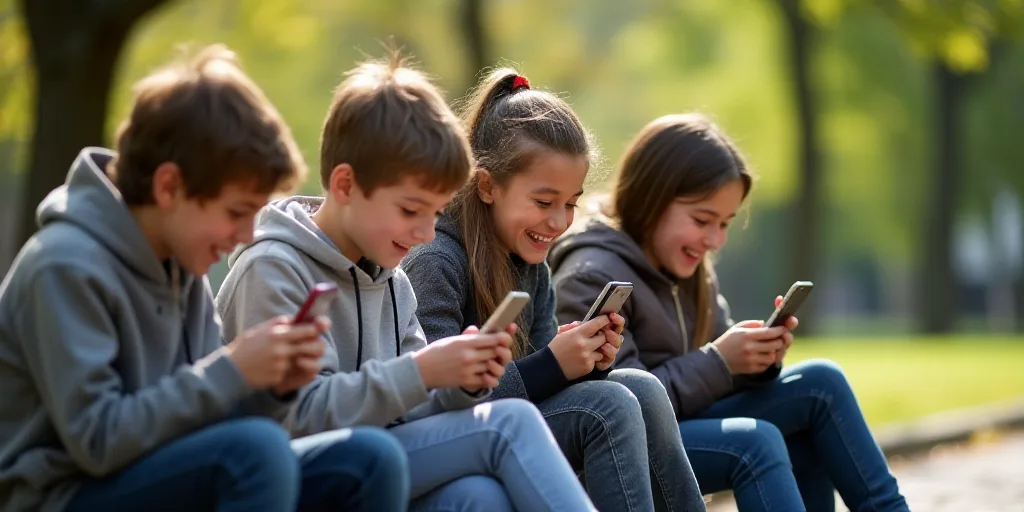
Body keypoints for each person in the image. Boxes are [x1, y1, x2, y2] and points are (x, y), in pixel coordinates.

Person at [0, 45, 411, 512]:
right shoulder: (63, 264)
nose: (247, 235)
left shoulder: (182, 263)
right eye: (235, 212)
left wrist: (274, 388)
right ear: (169, 187)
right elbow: (98, 440)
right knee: (253, 455)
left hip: (157, 470)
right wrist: (233, 368)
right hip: (60, 494)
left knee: (369, 459)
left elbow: (206, 416)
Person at [215, 51, 596, 512]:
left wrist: (462, 380)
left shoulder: (393, 281)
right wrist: (421, 372)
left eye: (435, 213)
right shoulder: (273, 268)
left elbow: (415, 406)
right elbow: (296, 418)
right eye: (411, 210)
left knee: (479, 496)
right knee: (508, 423)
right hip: (301, 474)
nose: (426, 234)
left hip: (382, 459)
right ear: (345, 186)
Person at [549, 113, 909, 512]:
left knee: (822, 382)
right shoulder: (591, 274)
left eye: (724, 223)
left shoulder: (688, 266)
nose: (715, 240)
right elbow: (629, 403)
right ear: (650, 199)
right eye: (703, 220)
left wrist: (756, 358)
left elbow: (718, 367)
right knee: (756, 441)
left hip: (687, 422)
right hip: (631, 450)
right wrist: (722, 362)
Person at [402, 69, 707, 512]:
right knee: (610, 407)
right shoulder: (437, 260)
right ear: (487, 186)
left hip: (517, 419)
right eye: (544, 202)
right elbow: (435, 400)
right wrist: (551, 364)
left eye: (571, 203)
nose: (560, 222)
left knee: (642, 388)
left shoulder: (532, 264)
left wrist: (586, 362)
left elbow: (551, 387)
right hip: (458, 437)